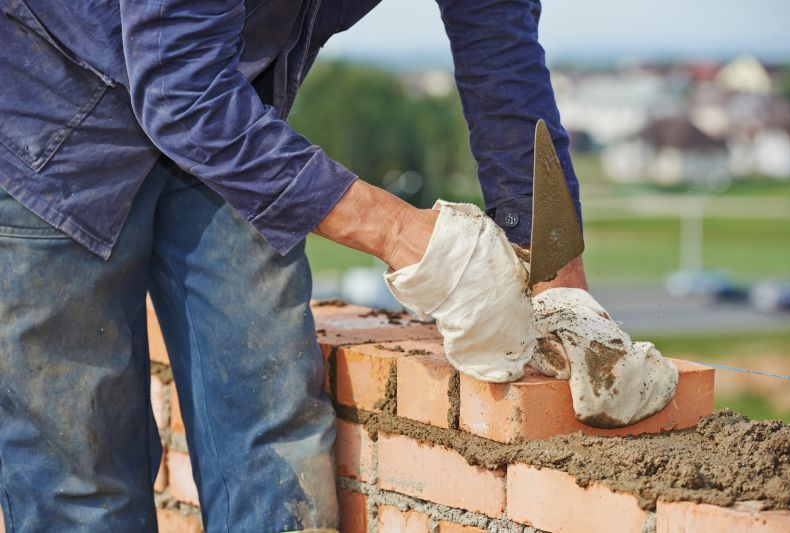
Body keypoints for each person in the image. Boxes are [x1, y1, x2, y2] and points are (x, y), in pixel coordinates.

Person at [0, 0, 677, 531]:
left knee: (273, 432)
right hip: (49, 106)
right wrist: (414, 241)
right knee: (80, 480)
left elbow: (499, 46)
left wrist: (560, 285)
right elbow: (179, 91)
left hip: (228, 98)